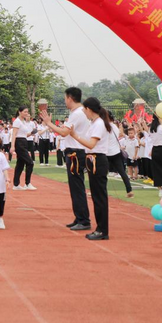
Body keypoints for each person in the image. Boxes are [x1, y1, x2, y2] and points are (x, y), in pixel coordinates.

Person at [40, 87, 91, 231]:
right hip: (76, 151)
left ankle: (83, 219)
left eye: (65, 98)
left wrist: (48, 123)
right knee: (76, 187)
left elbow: (63, 132)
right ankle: (79, 217)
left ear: (70, 98)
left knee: (77, 188)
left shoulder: (77, 113)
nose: (65, 101)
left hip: (75, 152)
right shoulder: (80, 112)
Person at [68, 97, 111, 241]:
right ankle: (100, 228)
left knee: (100, 197)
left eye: (84, 110)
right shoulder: (95, 123)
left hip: (97, 159)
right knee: (97, 196)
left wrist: (75, 136)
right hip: (93, 160)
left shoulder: (98, 124)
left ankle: (102, 230)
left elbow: (91, 144)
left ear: (88, 109)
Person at [106, 112, 133, 198]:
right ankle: (129, 190)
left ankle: (96, 191)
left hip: (107, 153)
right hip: (116, 152)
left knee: (101, 173)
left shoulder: (105, 127)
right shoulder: (115, 127)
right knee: (122, 172)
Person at [11, 106, 37, 191]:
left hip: (24, 141)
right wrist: (12, 146)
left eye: (27, 112)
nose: (26, 113)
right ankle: (27, 183)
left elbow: (24, 135)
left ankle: (16, 184)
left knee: (20, 164)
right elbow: (14, 134)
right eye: (25, 112)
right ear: (20, 112)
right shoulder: (17, 122)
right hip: (19, 143)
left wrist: (32, 132)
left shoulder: (24, 122)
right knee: (30, 162)